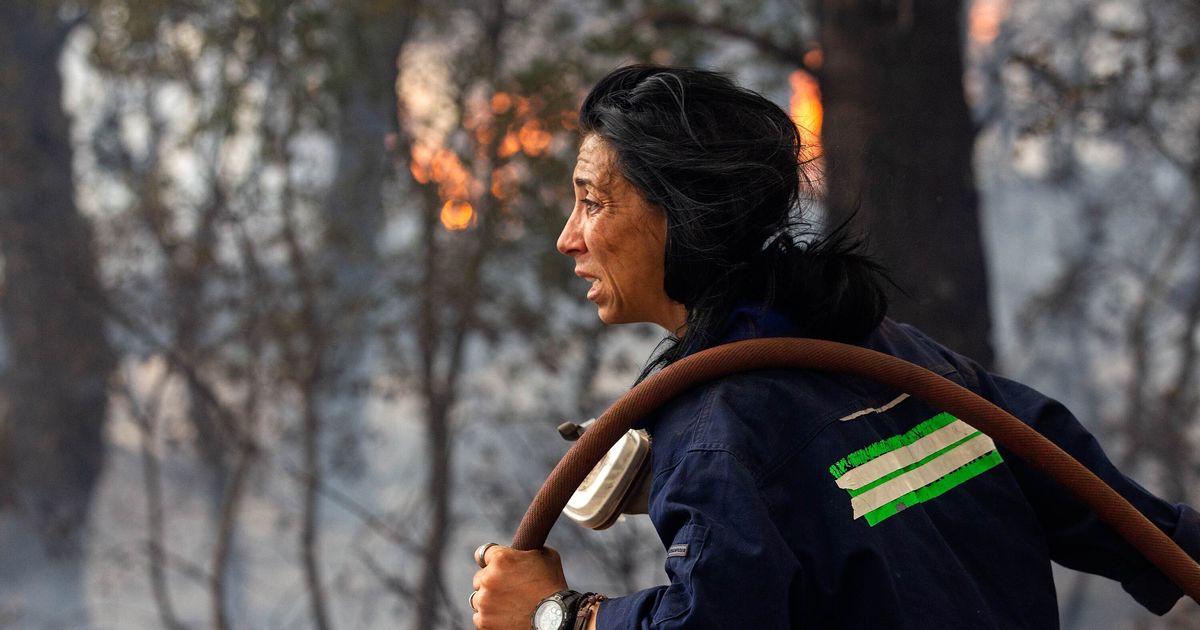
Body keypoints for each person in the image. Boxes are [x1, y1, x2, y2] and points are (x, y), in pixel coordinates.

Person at [468, 64, 1200, 629]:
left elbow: (717, 619)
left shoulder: (717, 432)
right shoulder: (898, 357)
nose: (568, 237)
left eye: (593, 202)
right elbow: (1093, 495)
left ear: (679, 218)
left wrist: (558, 614)